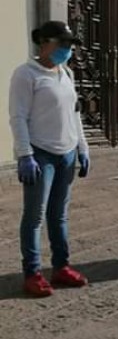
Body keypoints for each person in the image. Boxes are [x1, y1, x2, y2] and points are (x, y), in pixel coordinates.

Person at [8, 21, 91, 298]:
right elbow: (18, 117)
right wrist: (24, 154)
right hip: (40, 154)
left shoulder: (66, 72)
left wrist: (82, 147)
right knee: (34, 216)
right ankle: (32, 273)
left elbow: (74, 112)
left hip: (66, 153)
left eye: (70, 45)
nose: (67, 49)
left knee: (60, 215)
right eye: (62, 44)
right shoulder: (26, 74)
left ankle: (61, 267)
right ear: (44, 43)